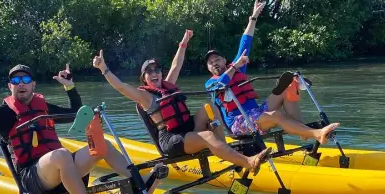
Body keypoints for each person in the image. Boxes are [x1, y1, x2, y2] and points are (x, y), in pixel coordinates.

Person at [0, 65, 164, 194]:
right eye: (16, 81)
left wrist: (70, 88)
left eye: (25, 80)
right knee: (61, 154)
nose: (21, 84)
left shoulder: (43, 107)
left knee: (101, 145)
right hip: (33, 178)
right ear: (10, 87)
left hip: (63, 172)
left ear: (33, 85)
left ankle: (141, 181)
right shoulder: (2, 112)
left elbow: (75, 113)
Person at [91, 30, 271, 172]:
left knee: (210, 108)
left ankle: (223, 149)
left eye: (157, 70)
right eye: (150, 72)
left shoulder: (167, 85)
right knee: (208, 135)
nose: (155, 74)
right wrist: (103, 68)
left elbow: (177, 64)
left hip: (188, 130)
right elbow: (121, 87)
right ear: (144, 78)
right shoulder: (144, 96)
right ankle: (248, 161)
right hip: (172, 140)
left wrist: (184, 43)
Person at [204, 0, 339, 144]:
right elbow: (221, 84)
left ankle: (303, 131)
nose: (215, 64)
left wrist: (253, 17)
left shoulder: (237, 68)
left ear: (224, 60)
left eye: (217, 59)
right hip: (239, 123)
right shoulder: (211, 84)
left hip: (257, 113)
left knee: (287, 86)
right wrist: (235, 66)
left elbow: (246, 42)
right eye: (211, 63)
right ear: (208, 69)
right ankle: (316, 133)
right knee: (275, 115)